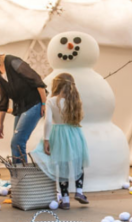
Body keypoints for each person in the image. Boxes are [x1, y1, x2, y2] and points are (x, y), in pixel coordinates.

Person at [0, 42, 47, 165]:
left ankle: (22, 175)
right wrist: (0, 124)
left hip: (34, 103)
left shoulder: (12, 62)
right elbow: (3, 100)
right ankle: (19, 173)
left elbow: (37, 80)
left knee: (17, 142)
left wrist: (43, 104)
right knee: (16, 143)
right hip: (21, 108)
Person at [31, 73, 89, 209]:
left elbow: (48, 122)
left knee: (62, 166)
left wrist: (46, 140)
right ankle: (80, 192)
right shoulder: (75, 101)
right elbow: (78, 119)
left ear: (56, 85)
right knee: (78, 162)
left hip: (58, 134)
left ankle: (65, 199)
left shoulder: (51, 101)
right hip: (74, 133)